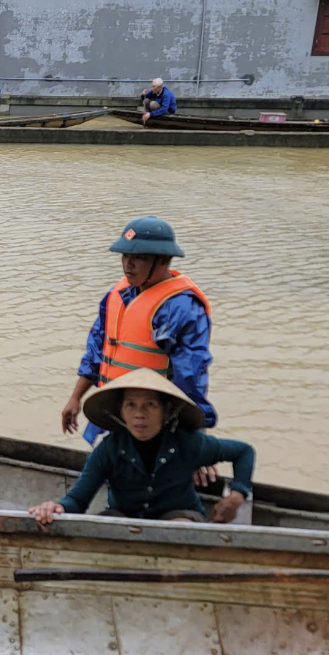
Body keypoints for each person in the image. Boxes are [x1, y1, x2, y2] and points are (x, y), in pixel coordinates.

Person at [61, 217, 215, 450]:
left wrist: (194, 440)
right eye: (125, 256)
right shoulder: (119, 294)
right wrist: (76, 398)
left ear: (163, 260)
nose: (128, 265)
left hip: (156, 423)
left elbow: (191, 376)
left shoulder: (181, 308)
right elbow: (97, 349)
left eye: (139, 258)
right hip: (117, 412)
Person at [30, 370, 253, 525]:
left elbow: (244, 452)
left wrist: (237, 495)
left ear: (165, 411)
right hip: (125, 517)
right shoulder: (109, 449)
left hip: (179, 517)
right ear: (121, 412)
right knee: (106, 524)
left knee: (178, 528)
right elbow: (78, 500)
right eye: (131, 405)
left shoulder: (188, 442)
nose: (140, 413)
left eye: (150, 405)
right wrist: (55, 508)